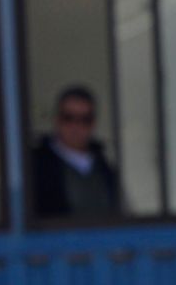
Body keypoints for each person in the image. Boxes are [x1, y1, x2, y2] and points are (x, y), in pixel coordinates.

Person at [31, 85, 119, 218]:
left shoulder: (105, 165)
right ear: (57, 119)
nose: (76, 126)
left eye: (85, 119)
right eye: (69, 118)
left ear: (93, 123)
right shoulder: (36, 166)